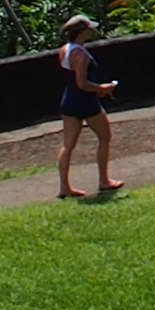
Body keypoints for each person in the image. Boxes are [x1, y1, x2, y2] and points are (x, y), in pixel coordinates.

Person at [55, 15, 124, 198]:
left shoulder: (64, 50)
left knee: (68, 145)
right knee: (105, 137)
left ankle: (64, 186)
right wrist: (103, 88)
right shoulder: (81, 55)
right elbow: (82, 83)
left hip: (68, 101)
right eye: (89, 29)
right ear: (82, 31)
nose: (92, 31)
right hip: (85, 102)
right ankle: (104, 180)